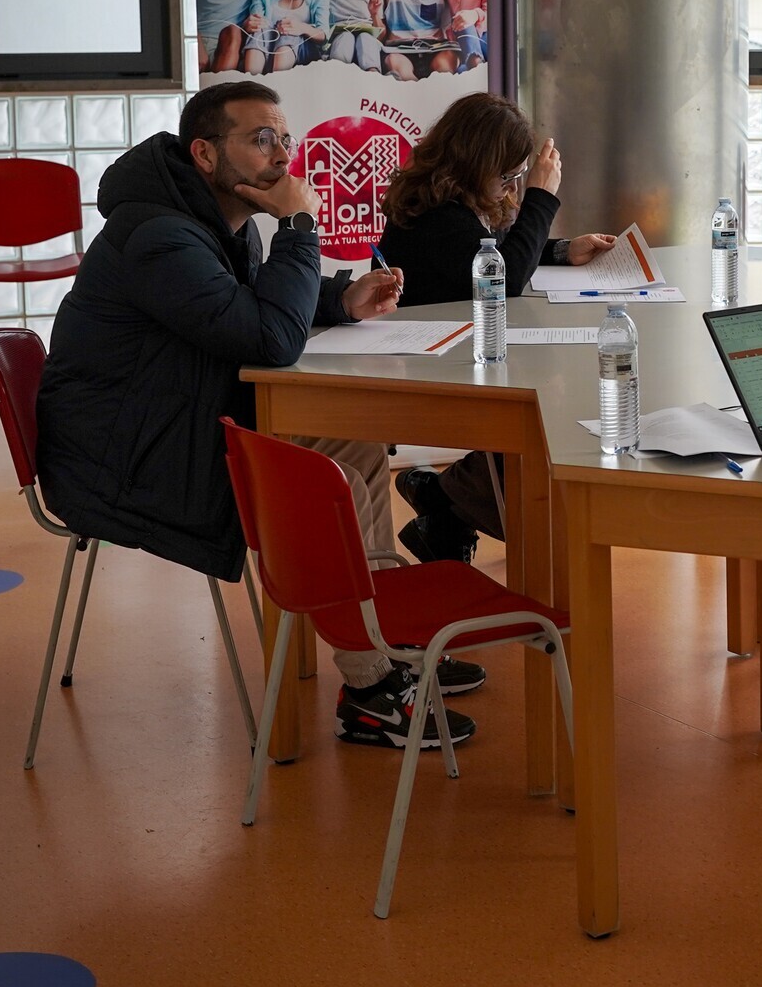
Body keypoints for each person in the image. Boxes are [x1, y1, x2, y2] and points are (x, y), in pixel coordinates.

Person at [35, 82, 484, 750]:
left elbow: (246, 304)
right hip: (126, 462)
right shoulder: (160, 237)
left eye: (285, 138)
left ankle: (383, 643)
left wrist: (341, 300)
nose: (282, 155)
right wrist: (298, 227)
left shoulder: (209, 221)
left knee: (354, 448)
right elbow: (269, 338)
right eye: (261, 139)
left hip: (171, 425)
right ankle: (369, 685)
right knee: (326, 477)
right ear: (205, 154)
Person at [379, 93, 618, 561]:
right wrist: (542, 197)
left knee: (548, 410)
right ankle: (450, 502)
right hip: (432, 367)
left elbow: (494, 250)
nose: (511, 187)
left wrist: (561, 249)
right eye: (506, 176)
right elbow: (501, 279)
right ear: (474, 164)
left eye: (519, 177)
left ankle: (442, 505)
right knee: (544, 421)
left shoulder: (451, 199)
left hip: (462, 350)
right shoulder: (438, 217)